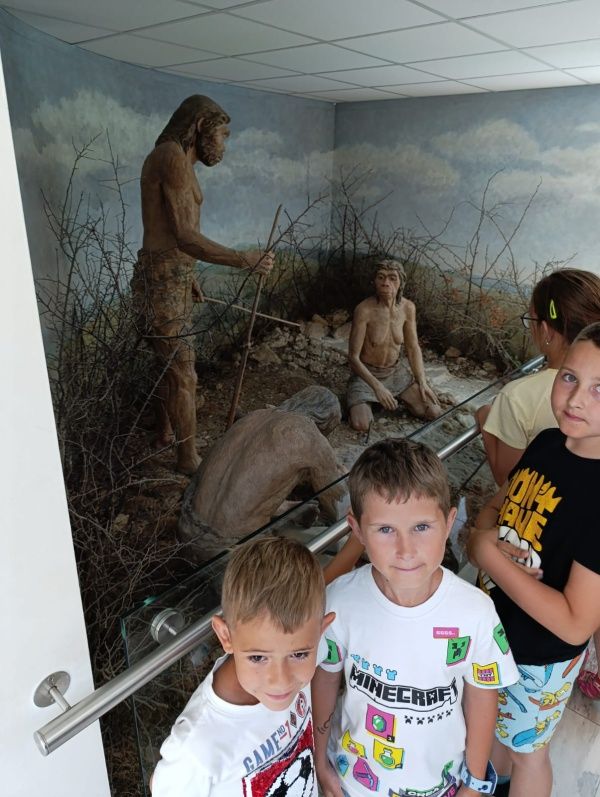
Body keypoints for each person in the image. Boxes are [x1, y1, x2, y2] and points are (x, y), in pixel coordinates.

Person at [312, 438, 519, 797]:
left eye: (421, 527)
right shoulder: (339, 602)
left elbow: (482, 695)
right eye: (385, 530)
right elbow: (325, 679)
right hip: (354, 782)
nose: (405, 550)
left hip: (441, 785)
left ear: (449, 523)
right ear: (357, 531)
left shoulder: (475, 612)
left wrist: (474, 782)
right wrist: (319, 760)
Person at [467, 322, 600, 797]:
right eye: (570, 378)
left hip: (541, 657)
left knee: (528, 751)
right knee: (492, 727)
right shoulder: (546, 443)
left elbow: (576, 623)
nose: (576, 399)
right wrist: (480, 536)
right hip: (494, 625)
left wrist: (486, 553)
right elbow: (496, 507)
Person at [132, 95, 273, 475]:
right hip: (162, 281)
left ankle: (165, 434)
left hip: (170, 277)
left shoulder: (177, 160)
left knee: (169, 366)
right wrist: (244, 259)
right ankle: (187, 459)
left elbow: (168, 235)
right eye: (222, 134)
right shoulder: (171, 157)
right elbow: (184, 235)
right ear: (199, 126)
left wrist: (188, 275)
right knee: (183, 373)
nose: (224, 144)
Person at [151, 535, 335, 797]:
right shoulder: (198, 747)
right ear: (225, 636)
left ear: (320, 633)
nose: (280, 681)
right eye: (258, 658)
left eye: (298, 655)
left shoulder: (311, 646)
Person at [178, 386, 348, 561]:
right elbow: (339, 508)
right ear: (327, 421)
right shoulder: (309, 436)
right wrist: (344, 478)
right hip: (231, 551)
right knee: (335, 551)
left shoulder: (253, 417)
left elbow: (238, 487)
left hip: (186, 533)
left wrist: (286, 509)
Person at [476, 268, 600, 486]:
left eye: (530, 319)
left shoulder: (517, 396)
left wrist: (485, 419)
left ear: (546, 330)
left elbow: (508, 480)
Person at [347, 259, 442, 432]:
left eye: (392, 278)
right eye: (381, 277)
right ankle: (373, 400)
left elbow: (413, 348)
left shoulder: (408, 308)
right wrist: (378, 387)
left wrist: (422, 381)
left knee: (434, 411)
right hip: (367, 375)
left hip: (395, 373)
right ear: (374, 281)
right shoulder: (364, 310)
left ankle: (391, 398)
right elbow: (353, 358)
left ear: (401, 283)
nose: (386, 283)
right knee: (362, 425)